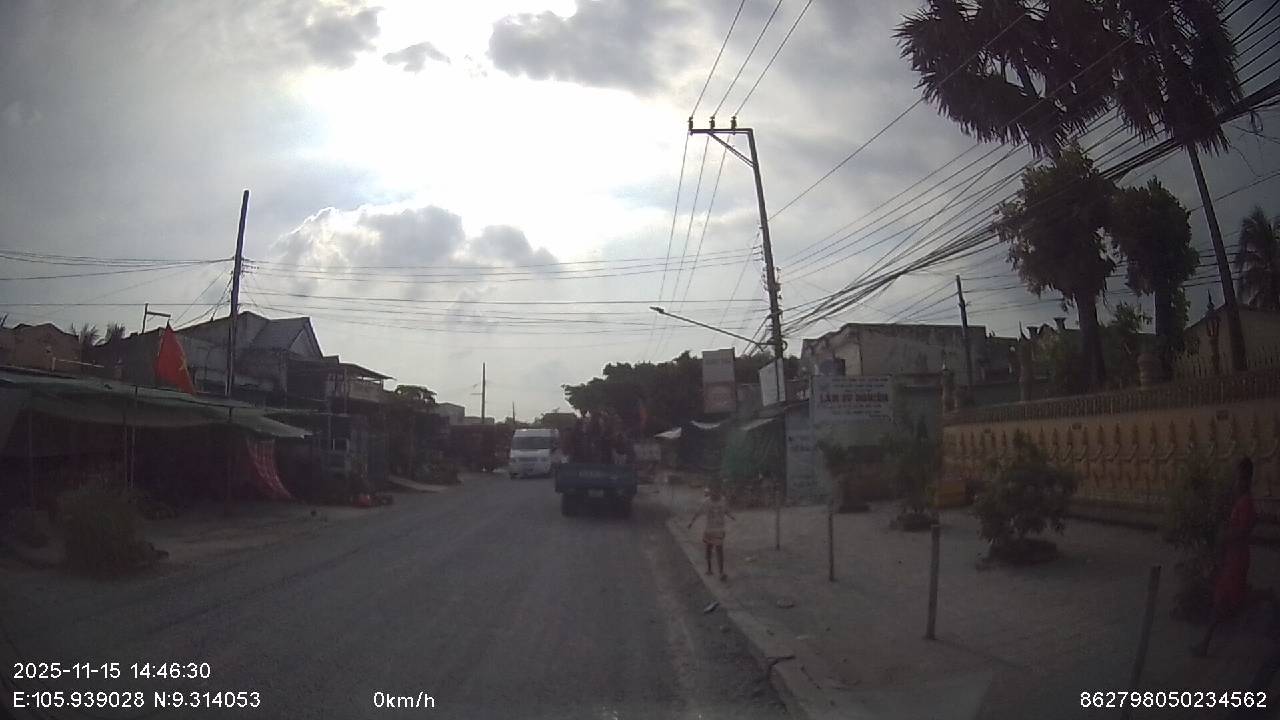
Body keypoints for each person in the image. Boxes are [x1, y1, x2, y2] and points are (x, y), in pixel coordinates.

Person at [1192, 457, 1276, 657]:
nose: (1235, 482)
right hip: (1234, 556)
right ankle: (1266, 595)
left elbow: (1243, 530)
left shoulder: (1246, 503)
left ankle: (1204, 645)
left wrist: (1225, 536)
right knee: (1235, 597)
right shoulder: (1243, 501)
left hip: (1237, 558)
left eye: (1238, 478)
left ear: (1245, 479)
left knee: (1223, 598)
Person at [688, 483, 734, 581]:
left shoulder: (723, 501)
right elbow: (698, 512)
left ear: (719, 492)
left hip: (719, 530)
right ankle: (709, 568)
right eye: (713, 491)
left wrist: (731, 516)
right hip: (709, 530)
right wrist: (691, 522)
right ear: (710, 492)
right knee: (708, 549)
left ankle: (721, 572)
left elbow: (727, 510)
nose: (715, 493)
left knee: (719, 550)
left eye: (717, 491)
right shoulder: (706, 502)